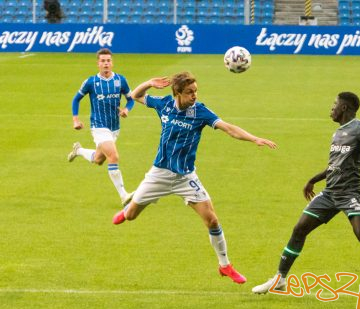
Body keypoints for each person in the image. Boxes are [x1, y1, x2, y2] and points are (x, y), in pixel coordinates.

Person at [112, 72, 277, 284]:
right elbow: (134, 96)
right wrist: (149, 83)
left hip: (185, 177)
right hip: (159, 174)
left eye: (196, 91)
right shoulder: (164, 105)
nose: (194, 95)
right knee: (132, 215)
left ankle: (225, 265)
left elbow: (228, 128)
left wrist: (254, 139)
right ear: (178, 93)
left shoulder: (200, 111)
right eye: (190, 92)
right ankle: (126, 211)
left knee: (212, 219)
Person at [252, 92, 360, 294]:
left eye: (334, 105)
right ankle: (280, 279)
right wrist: (313, 180)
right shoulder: (337, 133)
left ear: (344, 108)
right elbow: (334, 166)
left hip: (351, 193)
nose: (331, 109)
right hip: (329, 193)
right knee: (299, 229)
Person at [67, 48, 134, 206]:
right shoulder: (91, 82)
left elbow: (130, 99)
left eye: (108, 61)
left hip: (114, 128)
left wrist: (126, 110)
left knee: (98, 159)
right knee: (114, 157)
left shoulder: (120, 80)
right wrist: (75, 120)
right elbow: (76, 100)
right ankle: (123, 195)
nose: (106, 63)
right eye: (103, 61)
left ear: (112, 63)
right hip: (98, 126)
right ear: (98, 63)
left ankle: (79, 150)